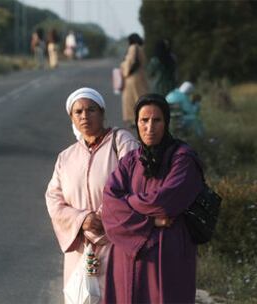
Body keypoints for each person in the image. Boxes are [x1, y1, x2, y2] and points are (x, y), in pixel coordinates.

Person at [102, 93, 204, 303]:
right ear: (136, 123)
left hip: (167, 255)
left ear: (166, 122)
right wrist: (151, 220)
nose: (150, 127)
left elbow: (164, 202)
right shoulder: (131, 159)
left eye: (156, 120)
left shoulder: (182, 159)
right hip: (127, 256)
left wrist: (128, 201)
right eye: (144, 120)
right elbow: (110, 202)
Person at [45, 87, 139, 303]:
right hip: (80, 247)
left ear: (102, 112)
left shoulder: (122, 142)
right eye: (78, 112)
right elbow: (53, 199)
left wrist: (102, 216)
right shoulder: (66, 157)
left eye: (91, 110)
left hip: (115, 243)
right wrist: (83, 219)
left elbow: (133, 182)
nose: (85, 116)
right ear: (72, 117)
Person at [120, 33, 149, 129]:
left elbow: (131, 62)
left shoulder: (133, 47)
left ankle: (135, 119)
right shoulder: (141, 48)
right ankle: (141, 118)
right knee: (140, 97)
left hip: (132, 78)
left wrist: (126, 71)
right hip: (140, 76)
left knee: (132, 98)